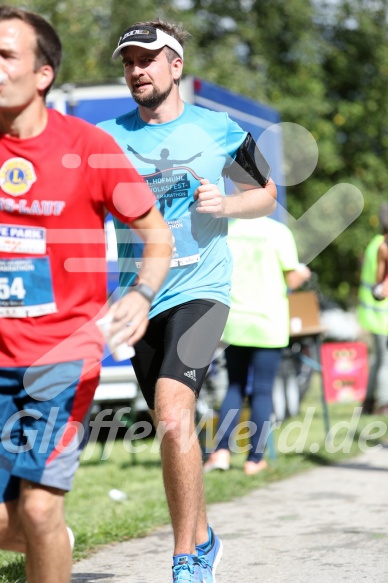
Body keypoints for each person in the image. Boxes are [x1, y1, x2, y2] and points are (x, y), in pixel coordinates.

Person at [98, 18, 277, 583]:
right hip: (141, 297)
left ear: (175, 66)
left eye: (147, 59)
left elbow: (266, 195)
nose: (136, 70)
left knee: (175, 413)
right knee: (170, 425)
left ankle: (185, 560)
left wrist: (226, 206)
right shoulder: (107, 137)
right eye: (128, 62)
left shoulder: (219, 128)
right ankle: (204, 538)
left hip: (203, 289)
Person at [0, 7, 172, 583]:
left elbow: (156, 236)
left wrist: (142, 294)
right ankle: (50, 543)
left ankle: (47, 532)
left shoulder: (89, 148)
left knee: (40, 505)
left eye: (5, 56)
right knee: (15, 521)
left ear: (42, 73)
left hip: (62, 360)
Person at [203, 217, 311, 475]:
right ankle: (254, 460)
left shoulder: (228, 229)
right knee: (262, 391)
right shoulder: (278, 232)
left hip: (236, 321)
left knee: (235, 386)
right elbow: (292, 280)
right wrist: (303, 273)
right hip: (268, 322)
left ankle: (221, 452)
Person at [358, 203, 388, 415]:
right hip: (381, 314)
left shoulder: (374, 244)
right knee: (384, 360)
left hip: (372, 313)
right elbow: (380, 282)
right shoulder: (382, 247)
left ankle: (368, 402)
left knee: (379, 359)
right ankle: (385, 403)